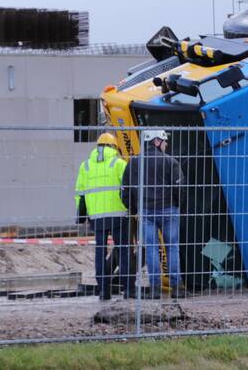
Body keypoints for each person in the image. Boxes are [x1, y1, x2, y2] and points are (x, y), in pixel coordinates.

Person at [121, 129, 186, 299]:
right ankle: (176, 287)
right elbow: (179, 187)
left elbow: (125, 190)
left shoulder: (134, 162)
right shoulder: (170, 161)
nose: (166, 144)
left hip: (146, 211)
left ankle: (155, 288)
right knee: (172, 247)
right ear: (156, 141)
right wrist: (177, 204)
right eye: (164, 141)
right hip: (168, 209)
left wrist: (133, 208)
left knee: (151, 248)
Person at [74, 132, 133, 301]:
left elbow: (80, 193)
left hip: (96, 217)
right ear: (114, 146)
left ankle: (103, 291)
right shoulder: (119, 163)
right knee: (123, 251)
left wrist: (81, 215)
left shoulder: (85, 166)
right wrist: (131, 207)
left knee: (100, 252)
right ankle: (128, 289)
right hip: (118, 216)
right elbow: (129, 188)